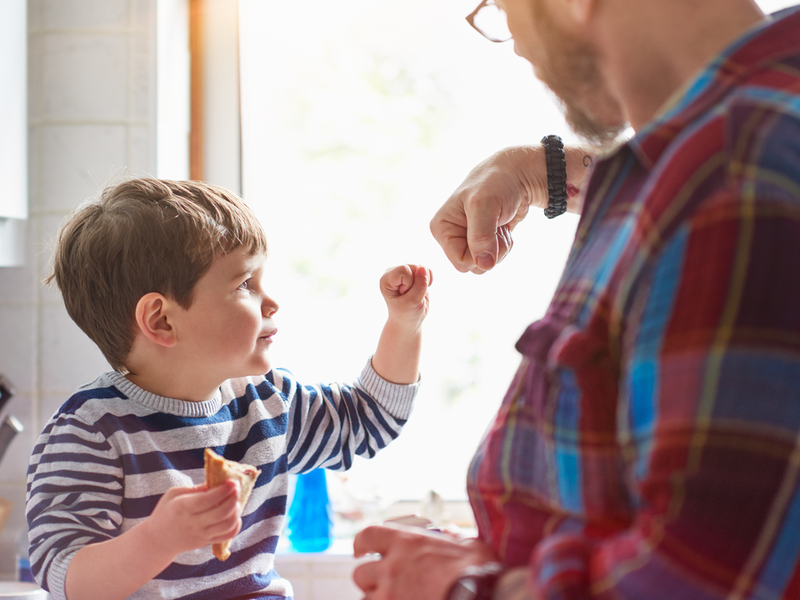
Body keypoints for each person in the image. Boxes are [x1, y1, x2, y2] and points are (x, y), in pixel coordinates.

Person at [353, 0, 800, 599]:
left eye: (503, 5)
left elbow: (695, 580)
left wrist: (462, 587)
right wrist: (543, 171)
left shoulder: (739, 177)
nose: (514, 40)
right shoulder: (752, 131)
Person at [26, 177, 432, 600]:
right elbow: (66, 579)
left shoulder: (267, 403)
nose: (271, 302)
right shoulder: (91, 431)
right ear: (162, 320)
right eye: (244, 284)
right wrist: (159, 539)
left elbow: (369, 419)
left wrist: (405, 325)